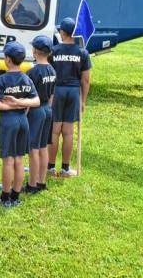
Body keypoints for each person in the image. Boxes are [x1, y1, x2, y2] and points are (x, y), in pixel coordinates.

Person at [0, 41, 40, 208]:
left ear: (7, 59)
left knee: (8, 161)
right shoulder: (26, 78)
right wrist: (20, 103)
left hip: (8, 121)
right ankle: (15, 196)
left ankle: (5, 197)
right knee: (19, 159)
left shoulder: (2, 80)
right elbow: (36, 101)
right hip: (23, 121)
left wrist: (13, 103)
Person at [48, 17, 92, 177]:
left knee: (54, 131)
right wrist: (83, 100)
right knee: (68, 132)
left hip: (57, 91)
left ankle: (51, 167)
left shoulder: (53, 51)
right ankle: (65, 168)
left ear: (62, 32)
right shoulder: (82, 52)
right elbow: (86, 80)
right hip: (73, 92)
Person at [25, 36, 56, 193]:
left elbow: (30, 98)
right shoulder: (52, 69)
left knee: (33, 149)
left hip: (35, 111)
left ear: (35, 51)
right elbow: (52, 95)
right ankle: (42, 181)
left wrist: (25, 115)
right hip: (47, 110)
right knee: (43, 147)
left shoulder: (32, 72)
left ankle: (32, 184)